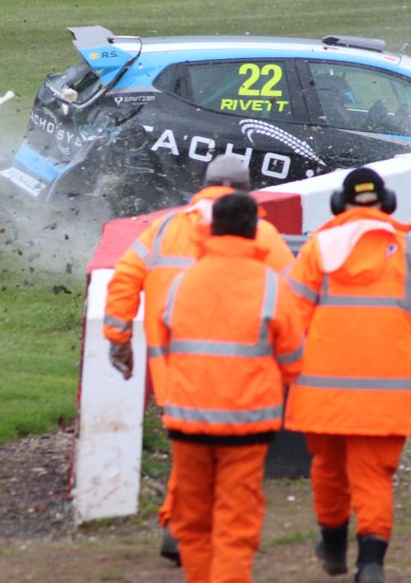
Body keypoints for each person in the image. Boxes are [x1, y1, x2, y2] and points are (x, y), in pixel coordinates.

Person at [102, 153, 294, 562]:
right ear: (246, 192)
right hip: (244, 374)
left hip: (175, 364)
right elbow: (293, 296)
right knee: (232, 469)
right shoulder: (261, 232)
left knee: (190, 450)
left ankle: (181, 528)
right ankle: (206, 537)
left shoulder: (165, 227)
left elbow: (124, 278)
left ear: (203, 184)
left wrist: (118, 338)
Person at [283, 167, 411, 583]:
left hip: (322, 393)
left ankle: (333, 545)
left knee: (328, 469)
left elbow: (289, 320)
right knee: (374, 476)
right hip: (390, 393)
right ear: (388, 203)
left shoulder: (316, 251)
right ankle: (371, 563)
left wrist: (287, 375)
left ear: (339, 205)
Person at [156, 192, 304, 583]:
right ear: (255, 230)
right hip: (247, 423)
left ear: (212, 229)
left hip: (188, 421)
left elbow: (167, 342)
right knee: (236, 519)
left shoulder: (183, 281)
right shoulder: (272, 286)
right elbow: (293, 358)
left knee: (192, 519)